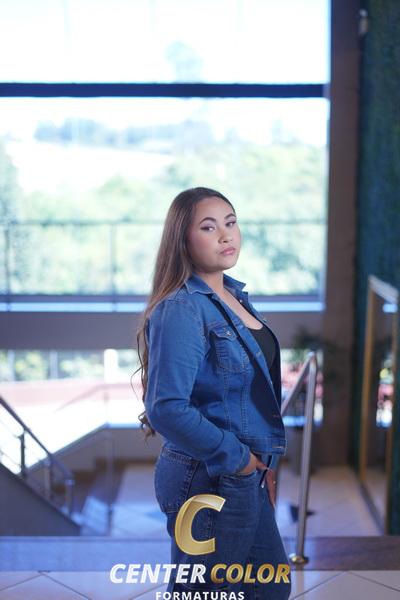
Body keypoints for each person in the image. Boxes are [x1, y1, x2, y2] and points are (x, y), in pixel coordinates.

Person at [136, 187, 291, 599]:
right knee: (206, 591)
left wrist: (260, 466)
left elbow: (244, 399)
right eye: (208, 227)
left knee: (269, 588)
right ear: (183, 240)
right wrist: (240, 460)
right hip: (206, 477)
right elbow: (166, 408)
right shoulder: (182, 308)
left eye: (231, 222)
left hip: (244, 474)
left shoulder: (232, 296)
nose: (226, 235)